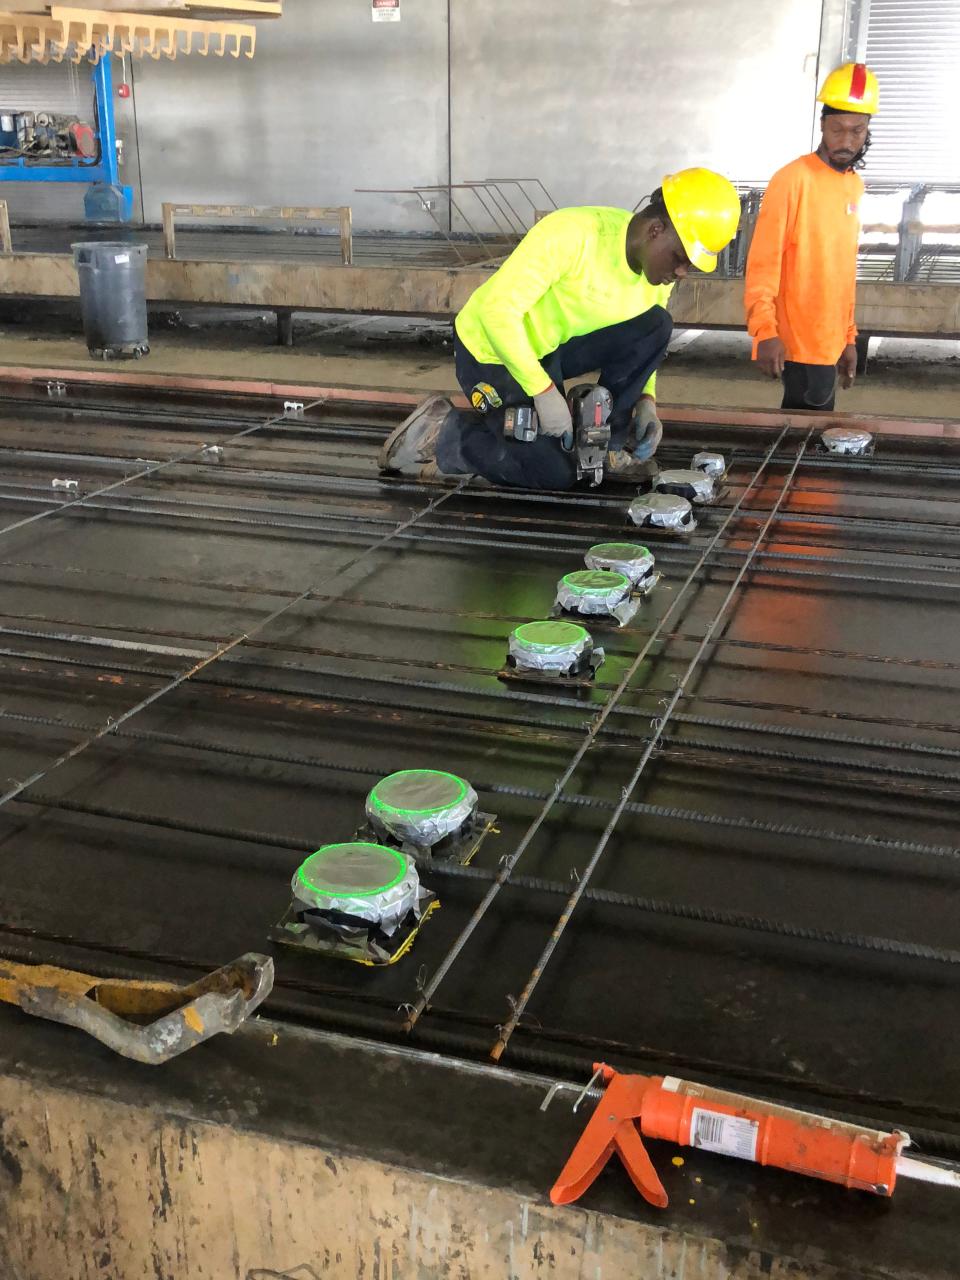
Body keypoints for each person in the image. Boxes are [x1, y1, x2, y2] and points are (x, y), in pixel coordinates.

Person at [379, 168, 741, 489]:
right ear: (655, 230)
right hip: (491, 350)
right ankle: (443, 434)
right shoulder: (572, 235)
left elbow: (647, 336)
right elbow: (496, 313)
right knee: (555, 472)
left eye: (689, 265)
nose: (681, 273)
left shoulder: (655, 273)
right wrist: (543, 391)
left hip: (550, 347)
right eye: (680, 259)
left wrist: (647, 400)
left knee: (657, 324)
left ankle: (607, 446)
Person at [745, 62, 878, 412]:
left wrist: (848, 339)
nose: (846, 142)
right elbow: (763, 263)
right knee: (801, 443)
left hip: (830, 343)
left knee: (813, 440)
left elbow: (844, 270)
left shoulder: (852, 184)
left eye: (857, 131)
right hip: (799, 344)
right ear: (821, 125)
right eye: (837, 129)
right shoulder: (792, 180)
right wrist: (764, 332)